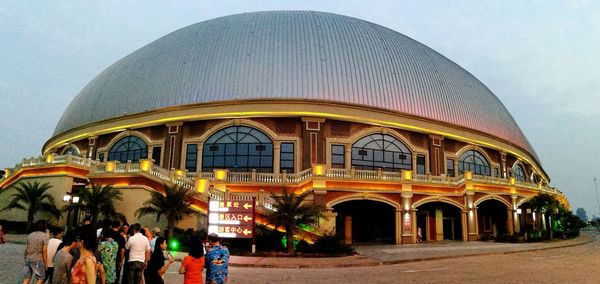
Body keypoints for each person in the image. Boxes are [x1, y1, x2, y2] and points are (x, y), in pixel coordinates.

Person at [21, 220, 49, 284]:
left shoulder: (30, 235)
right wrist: (46, 263)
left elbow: (26, 248)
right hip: (38, 260)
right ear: (45, 227)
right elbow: (44, 251)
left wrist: (25, 257)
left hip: (28, 258)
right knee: (41, 278)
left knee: (26, 278)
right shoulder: (45, 236)